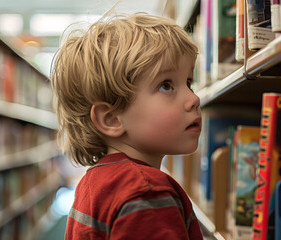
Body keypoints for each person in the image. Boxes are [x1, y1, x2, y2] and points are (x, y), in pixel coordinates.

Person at [51, 12, 203, 240]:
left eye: (188, 83)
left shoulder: (93, 183)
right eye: (166, 86)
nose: (194, 98)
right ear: (111, 119)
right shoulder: (147, 193)